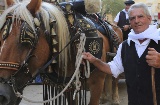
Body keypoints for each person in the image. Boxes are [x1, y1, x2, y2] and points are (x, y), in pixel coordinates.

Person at [83, 3, 160, 105]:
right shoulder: (125, 46)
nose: (136, 21)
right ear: (130, 22)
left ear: (149, 19)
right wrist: (94, 60)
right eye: (132, 18)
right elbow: (112, 68)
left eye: (140, 16)